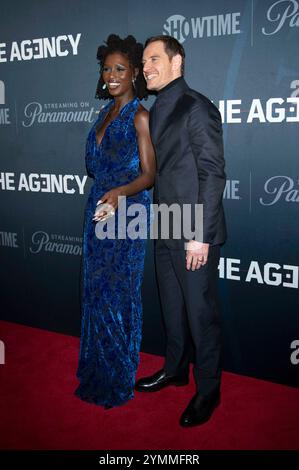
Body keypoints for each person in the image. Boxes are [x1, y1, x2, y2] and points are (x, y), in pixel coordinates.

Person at [135, 35, 226, 427]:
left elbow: (212, 174)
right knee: (173, 309)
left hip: (192, 229)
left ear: (178, 62)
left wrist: (200, 235)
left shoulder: (196, 107)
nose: (146, 67)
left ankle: (208, 390)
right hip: (167, 221)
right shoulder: (157, 110)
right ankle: (175, 369)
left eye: (154, 58)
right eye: (143, 61)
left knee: (199, 315)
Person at [75, 34, 155, 408]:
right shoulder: (103, 114)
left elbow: (149, 174)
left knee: (118, 296)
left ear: (135, 73)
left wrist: (120, 193)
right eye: (106, 69)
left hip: (127, 213)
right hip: (98, 210)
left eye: (120, 69)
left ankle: (118, 374)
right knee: (96, 294)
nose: (111, 75)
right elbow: (94, 167)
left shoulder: (140, 115)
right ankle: (95, 368)